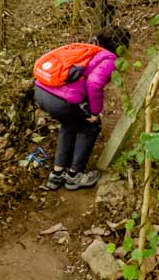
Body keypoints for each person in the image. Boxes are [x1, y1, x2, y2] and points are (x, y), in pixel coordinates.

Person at [33, 24, 131, 191]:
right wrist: (94, 112)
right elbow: (94, 84)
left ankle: (56, 175)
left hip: (40, 91)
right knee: (90, 126)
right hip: (60, 101)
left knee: (69, 123)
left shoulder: (85, 49)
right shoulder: (109, 58)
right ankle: (74, 176)